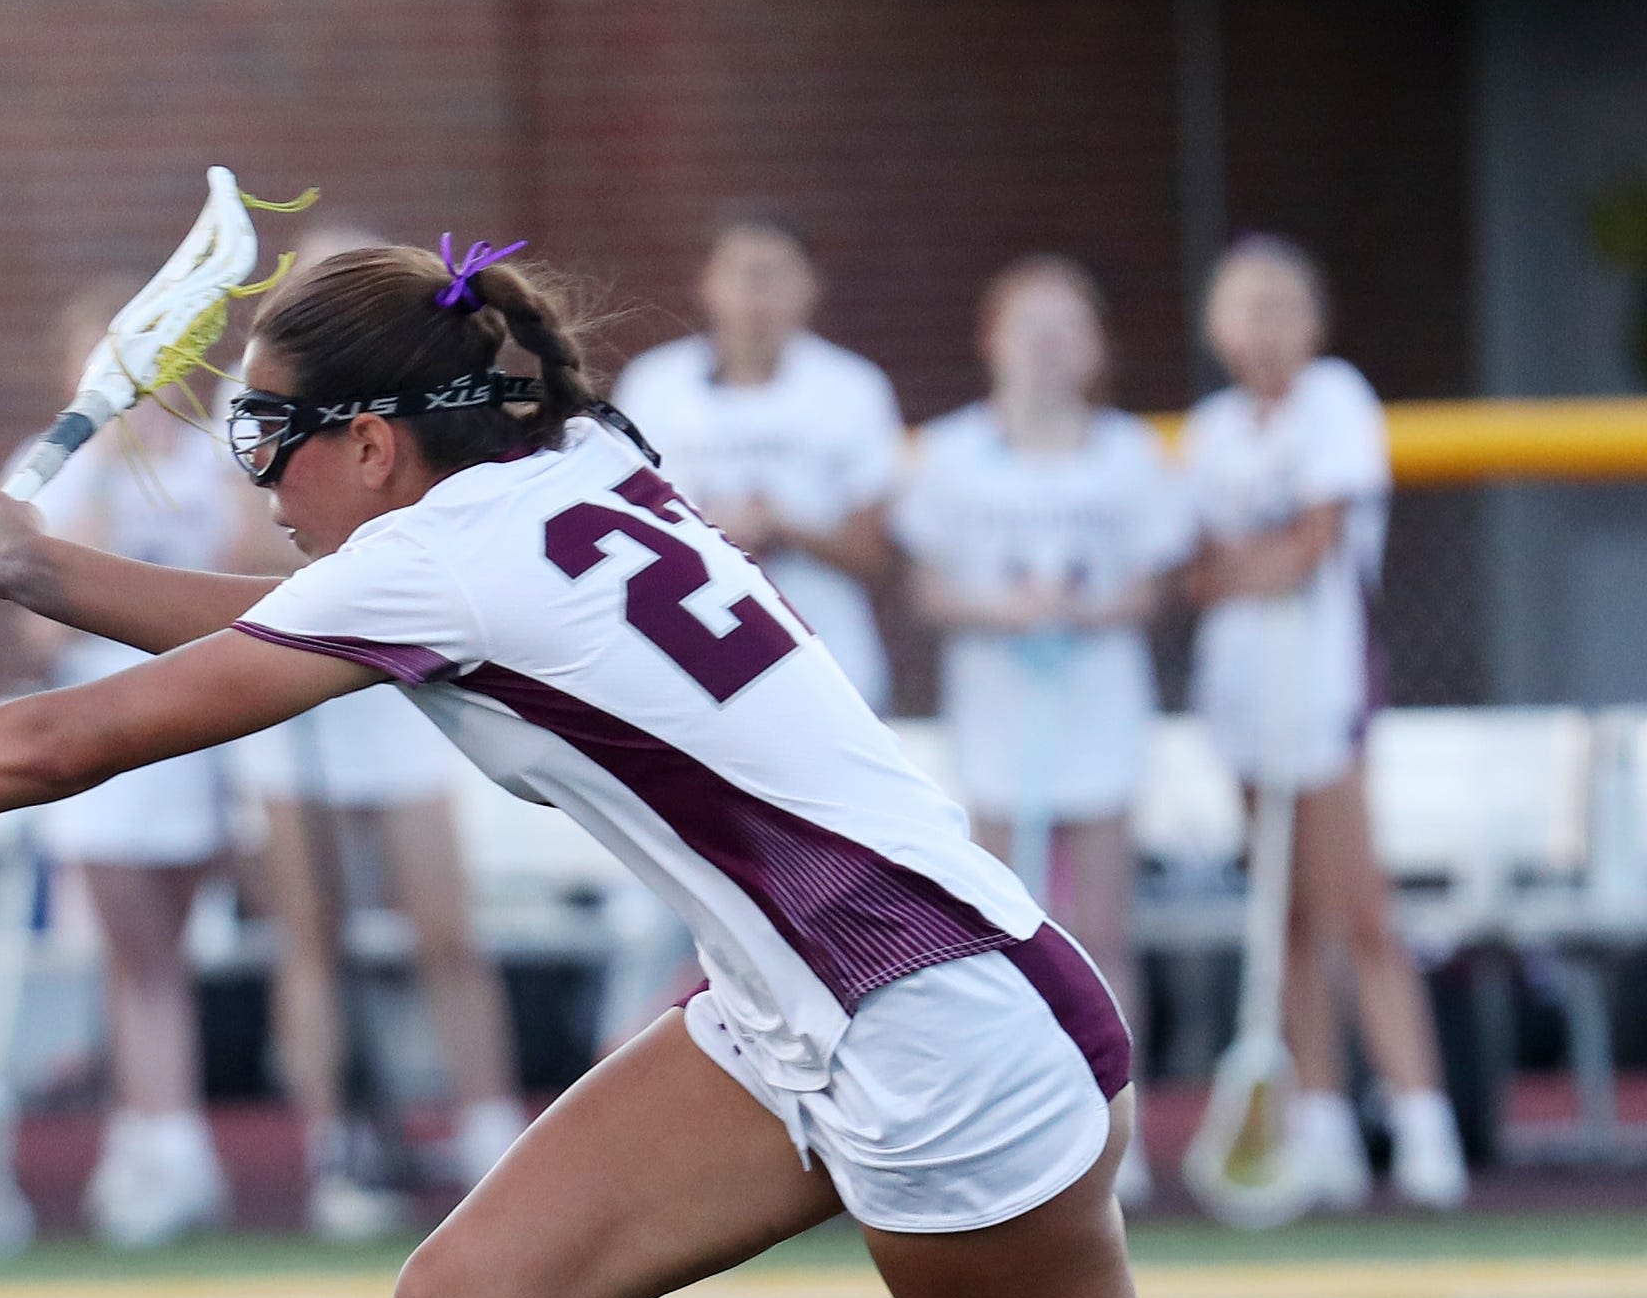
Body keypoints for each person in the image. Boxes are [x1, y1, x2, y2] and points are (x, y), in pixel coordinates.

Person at [0, 239, 1355, 1298]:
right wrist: (57, 571)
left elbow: (64, 742)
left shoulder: (439, 557)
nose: (258, 480)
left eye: (268, 440)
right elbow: (270, 636)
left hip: (929, 1028)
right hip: (814, 1003)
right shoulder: (558, 470)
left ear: (371, 444)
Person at [230, 228, 525, 1240]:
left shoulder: (418, 409)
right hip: (292, 678)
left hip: (401, 678)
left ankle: (489, 1126)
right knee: (307, 938)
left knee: (443, 924)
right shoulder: (266, 401)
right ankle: (336, 1146)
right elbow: (249, 542)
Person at [893, 255, 1190, 1207]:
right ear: (993, 340)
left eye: (1068, 328)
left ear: (1096, 347)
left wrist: (1088, 608)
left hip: (1097, 710)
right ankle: (1014, 1127)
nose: (1049, 348)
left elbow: (1152, 583)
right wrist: (1004, 608)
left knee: (1103, 927)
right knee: (998, 931)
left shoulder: (1129, 454)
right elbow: (931, 588)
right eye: (1031, 327)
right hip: (997, 719)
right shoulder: (950, 453)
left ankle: (1118, 1129)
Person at [1183, 234, 1467, 1212]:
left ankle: (1421, 1117)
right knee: (1285, 920)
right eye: (1242, 308)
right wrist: (1240, 566)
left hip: (1321, 692)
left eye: (1279, 307)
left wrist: (1245, 565)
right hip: (1241, 697)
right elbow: (1197, 569)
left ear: (1312, 321)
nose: (1260, 329)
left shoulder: (1336, 401)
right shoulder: (1212, 428)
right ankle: (1321, 1121)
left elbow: (1309, 544)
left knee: (1360, 913)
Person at [26, 277, 242, 1248]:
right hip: (92, 735)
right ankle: (157, 1141)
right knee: (132, 953)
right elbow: (38, 635)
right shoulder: (56, 470)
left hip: (192, 729)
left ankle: (163, 1137)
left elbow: (245, 580)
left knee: (166, 951)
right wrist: (108, 472)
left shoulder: (209, 462)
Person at [612, 211, 903, 711]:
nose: (757, 292)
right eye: (742, 273)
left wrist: (786, 527)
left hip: (829, 662)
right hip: (689, 664)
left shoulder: (852, 388)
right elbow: (616, 528)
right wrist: (708, 529)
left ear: (811, 285)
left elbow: (877, 554)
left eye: (776, 274)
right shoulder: (654, 386)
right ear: (707, 284)